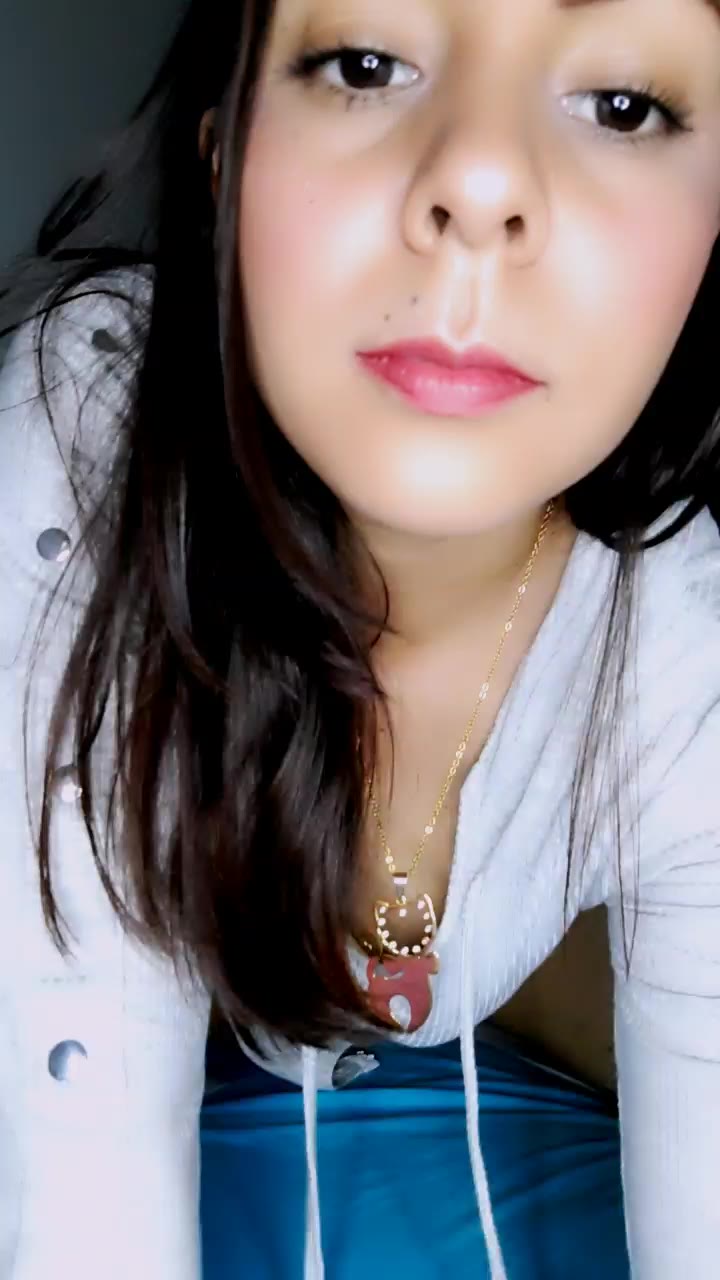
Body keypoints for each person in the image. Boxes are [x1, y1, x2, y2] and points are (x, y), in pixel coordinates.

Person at [1, 0, 719, 1276]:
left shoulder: (680, 637)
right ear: (224, 157)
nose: (481, 183)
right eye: (367, 61)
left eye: (622, 104)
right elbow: (80, 1192)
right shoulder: (82, 457)